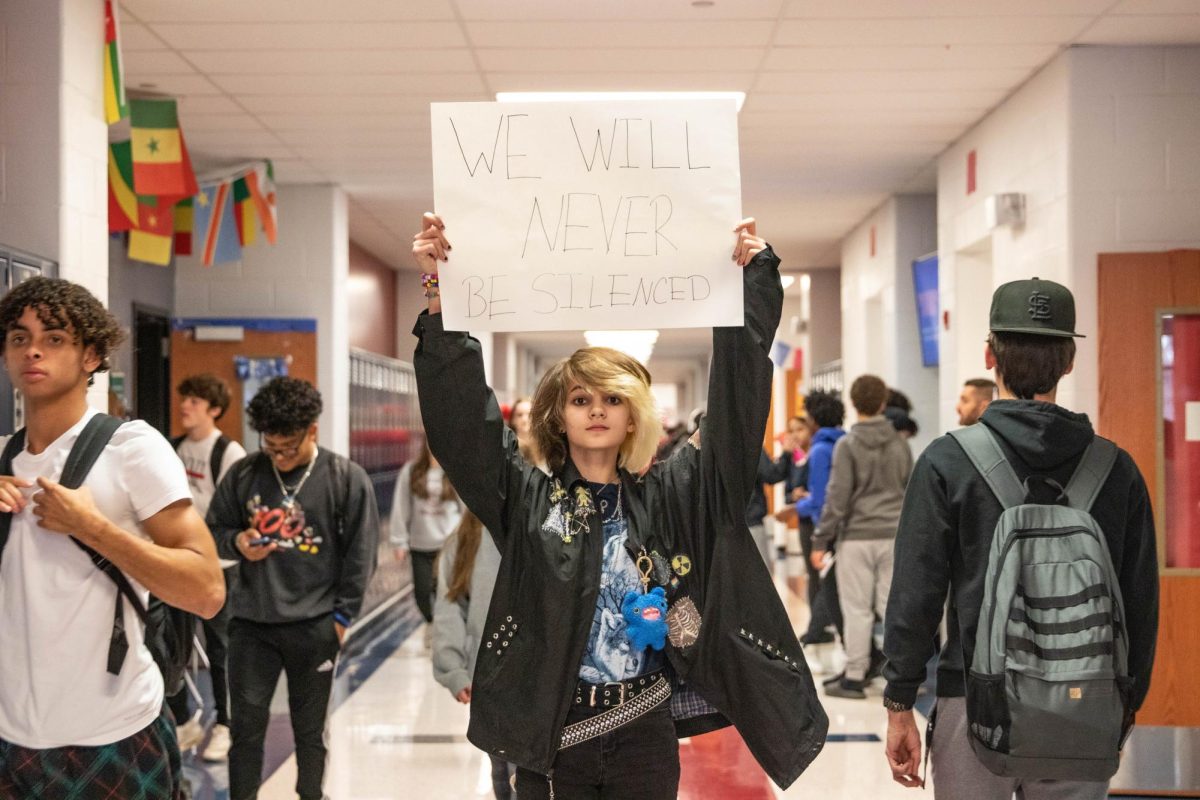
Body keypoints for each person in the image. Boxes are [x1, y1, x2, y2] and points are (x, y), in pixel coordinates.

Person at [411, 212, 826, 798]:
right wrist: (440, 298)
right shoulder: (527, 499)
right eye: (582, 399)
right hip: (552, 732)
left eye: (613, 398)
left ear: (634, 414)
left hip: (644, 730)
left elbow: (734, 419)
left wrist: (749, 288)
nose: (598, 410)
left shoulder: (672, 494)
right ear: (560, 414)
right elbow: (464, 430)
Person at [882, 278, 1159, 798]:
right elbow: (1140, 600)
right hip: (1086, 696)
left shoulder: (948, 461)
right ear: (1069, 361)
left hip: (974, 698)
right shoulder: (1116, 470)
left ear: (990, 356)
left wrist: (900, 703)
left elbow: (915, 593)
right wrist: (1126, 701)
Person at [0, 277, 224, 798]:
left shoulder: (131, 448)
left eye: (54, 337)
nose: (32, 348)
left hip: (114, 733)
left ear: (91, 355)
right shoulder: (3, 460)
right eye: (18, 336)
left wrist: (92, 527)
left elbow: (207, 590)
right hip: (12, 737)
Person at [207, 376, 379, 800]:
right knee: (245, 731)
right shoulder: (245, 474)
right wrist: (238, 543)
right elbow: (212, 530)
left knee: (309, 732)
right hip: (251, 624)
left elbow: (361, 554)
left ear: (312, 431)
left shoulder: (345, 478)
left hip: (315, 625)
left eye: (289, 447)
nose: (280, 457)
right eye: (272, 447)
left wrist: (341, 620)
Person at [812, 375, 913, 700]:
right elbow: (910, 489)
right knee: (892, 606)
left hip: (856, 538)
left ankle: (854, 677)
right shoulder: (900, 444)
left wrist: (820, 540)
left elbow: (837, 497)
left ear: (854, 404)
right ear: (883, 403)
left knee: (857, 610)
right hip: (894, 536)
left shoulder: (848, 445)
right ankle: (907, 674)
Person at [168, 372, 247, 760]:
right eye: (185, 399)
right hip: (177, 562)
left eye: (195, 402)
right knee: (169, 647)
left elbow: (240, 514)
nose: (185, 407)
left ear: (214, 409)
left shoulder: (228, 453)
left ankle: (226, 726)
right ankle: (183, 722)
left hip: (219, 566)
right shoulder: (171, 447)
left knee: (221, 649)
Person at [431, 510, 515, 799]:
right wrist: (452, 668)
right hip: (486, 675)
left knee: (524, 772)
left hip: (533, 677)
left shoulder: (539, 526)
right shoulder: (465, 537)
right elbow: (449, 605)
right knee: (501, 769)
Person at [793, 390, 846, 647]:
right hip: (844, 522)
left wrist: (796, 507)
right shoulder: (845, 443)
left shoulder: (819, 450)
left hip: (818, 524)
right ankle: (820, 627)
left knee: (818, 578)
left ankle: (816, 628)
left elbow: (820, 499)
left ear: (814, 418)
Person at [391, 441, 463, 626]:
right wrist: (399, 541)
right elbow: (401, 507)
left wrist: (466, 541)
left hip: (448, 546)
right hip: (420, 546)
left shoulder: (456, 470)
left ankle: (442, 632)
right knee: (422, 595)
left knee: (446, 594)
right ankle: (432, 624)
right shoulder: (411, 471)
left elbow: (465, 510)